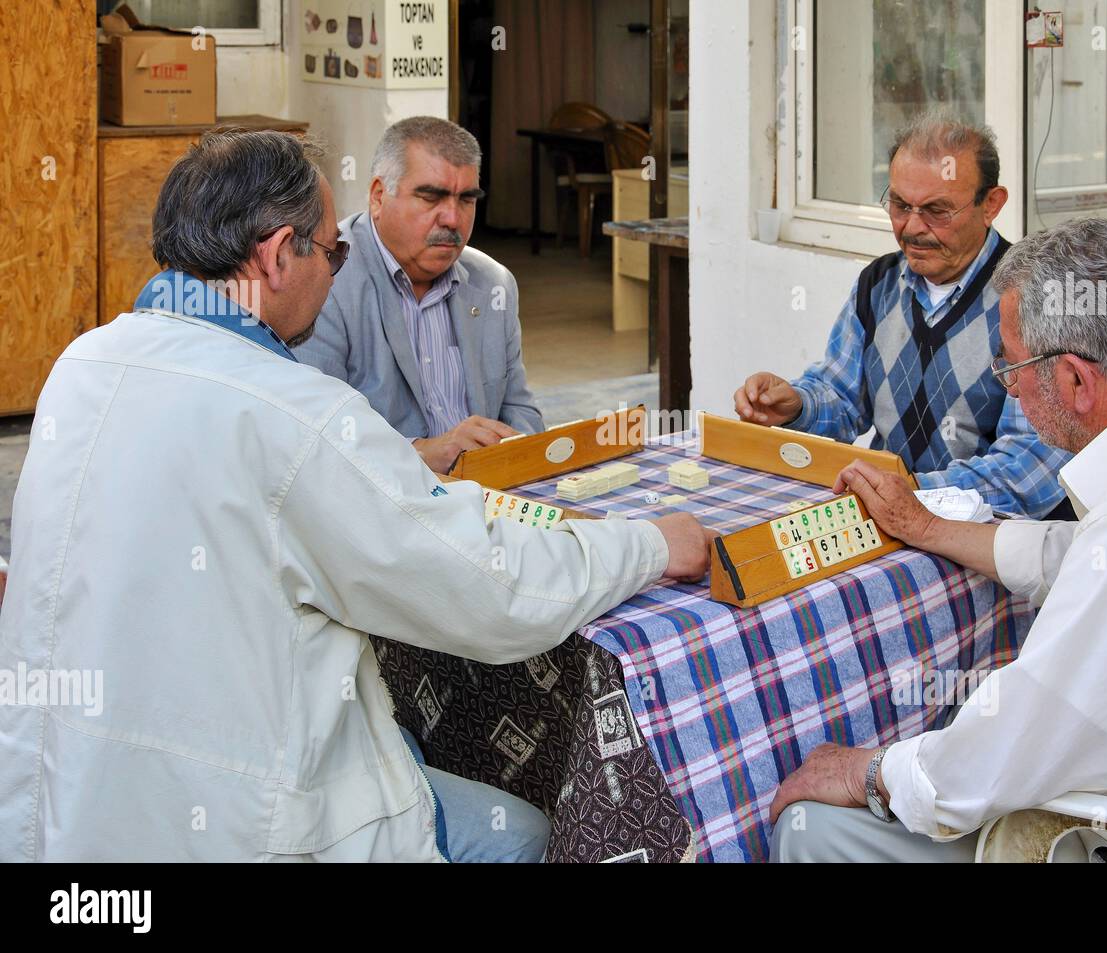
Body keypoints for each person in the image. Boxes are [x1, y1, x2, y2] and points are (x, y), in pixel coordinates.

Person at [0, 130, 713, 863]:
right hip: (240, 815)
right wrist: (652, 542)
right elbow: (489, 587)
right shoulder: (292, 412)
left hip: (63, 800)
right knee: (524, 834)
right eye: (328, 251)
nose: (337, 271)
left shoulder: (82, 363)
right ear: (280, 255)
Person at [768, 217, 1107, 862]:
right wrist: (929, 528)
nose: (1007, 384)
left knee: (814, 826)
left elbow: (995, 758)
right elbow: (1094, 560)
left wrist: (866, 771)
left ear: (1076, 380)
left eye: (1009, 364)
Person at [734, 111, 1072, 518]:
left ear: (991, 205)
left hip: (985, 541)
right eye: (899, 204)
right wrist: (797, 405)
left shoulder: (1031, 301)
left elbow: (1027, 471)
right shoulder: (878, 284)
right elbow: (842, 398)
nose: (911, 227)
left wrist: (910, 493)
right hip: (887, 517)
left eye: (937, 210)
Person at [295, 116, 542, 474]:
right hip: (382, 507)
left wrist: (512, 454)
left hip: (485, 497)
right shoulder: (326, 278)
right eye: (431, 197)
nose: (453, 220)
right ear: (379, 196)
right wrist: (422, 455)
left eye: (466, 200)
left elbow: (520, 409)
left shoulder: (493, 284)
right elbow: (314, 436)